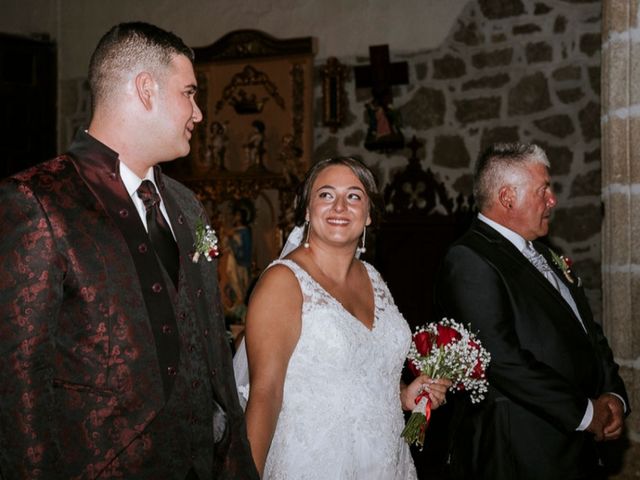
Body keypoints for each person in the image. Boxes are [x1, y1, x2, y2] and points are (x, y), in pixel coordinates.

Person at [0, 22, 257, 479]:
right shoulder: (38, 200)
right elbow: (18, 388)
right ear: (145, 90)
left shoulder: (185, 204)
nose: (198, 113)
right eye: (189, 93)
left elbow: (211, 349)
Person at [239, 156, 451, 479]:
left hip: (386, 464)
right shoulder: (283, 283)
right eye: (326, 195)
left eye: (354, 196)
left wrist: (404, 395)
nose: (340, 206)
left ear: (368, 216)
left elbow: (362, 373)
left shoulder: (373, 278)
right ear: (307, 211)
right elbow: (265, 394)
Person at [434, 142, 629, 480]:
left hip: (572, 445)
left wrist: (612, 394)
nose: (552, 199)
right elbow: (501, 358)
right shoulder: (470, 258)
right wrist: (586, 413)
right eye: (543, 190)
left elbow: (587, 329)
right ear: (508, 197)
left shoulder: (544, 253)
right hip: (523, 451)